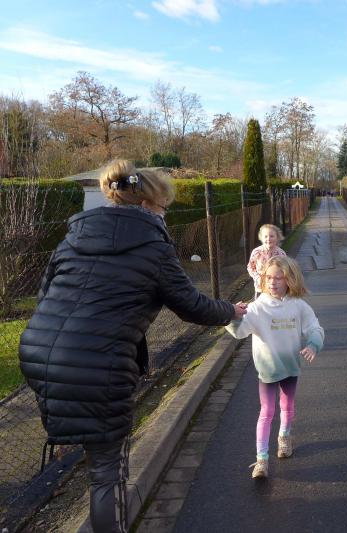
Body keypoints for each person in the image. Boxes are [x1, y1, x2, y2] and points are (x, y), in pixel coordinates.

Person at [18, 160, 247, 533]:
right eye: (164, 208)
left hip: (39, 352)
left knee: (94, 448)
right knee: (106, 471)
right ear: (146, 205)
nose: (165, 216)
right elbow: (190, 305)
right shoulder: (154, 247)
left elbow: (45, 296)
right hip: (97, 363)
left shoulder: (73, 237)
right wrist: (231, 311)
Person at [225, 255, 324, 479]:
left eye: (278, 278)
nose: (272, 282)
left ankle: (284, 437)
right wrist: (232, 316)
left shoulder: (298, 306)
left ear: (289, 279)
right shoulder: (257, 308)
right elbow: (240, 332)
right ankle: (262, 459)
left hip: (290, 367)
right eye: (269, 277)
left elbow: (315, 328)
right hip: (268, 370)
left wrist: (313, 344)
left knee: (287, 406)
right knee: (267, 411)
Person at [247, 223, 287, 296]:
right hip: (260, 288)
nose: (268, 239)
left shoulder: (281, 254)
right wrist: (257, 278)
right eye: (265, 236)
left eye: (271, 236)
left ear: (277, 238)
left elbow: (286, 270)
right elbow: (250, 267)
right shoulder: (256, 252)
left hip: (276, 288)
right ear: (261, 238)